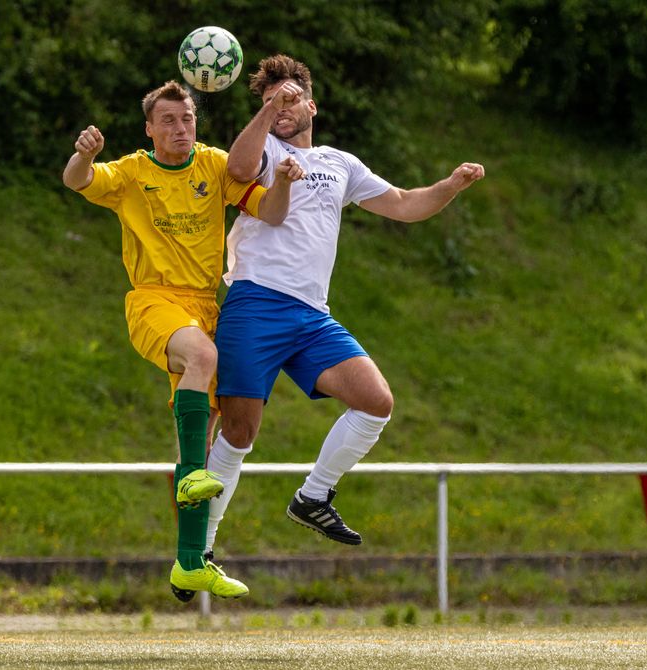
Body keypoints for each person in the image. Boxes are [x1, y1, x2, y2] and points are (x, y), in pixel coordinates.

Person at [204, 55, 485, 556]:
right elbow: (239, 169)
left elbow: (402, 203)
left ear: (312, 104)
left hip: (312, 315)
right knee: (239, 431)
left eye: (290, 97)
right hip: (256, 303)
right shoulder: (263, 145)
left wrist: (451, 185)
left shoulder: (340, 162)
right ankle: (200, 547)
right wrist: (269, 112)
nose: (282, 106)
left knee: (376, 401)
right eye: (270, 100)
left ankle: (313, 496)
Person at [62, 80, 303, 602]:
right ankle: (191, 477)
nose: (180, 128)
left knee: (211, 426)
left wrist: (282, 181)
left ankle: (190, 562)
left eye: (187, 118)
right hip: (153, 299)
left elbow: (274, 212)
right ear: (149, 129)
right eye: (168, 120)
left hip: (205, 306)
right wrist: (84, 156)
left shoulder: (215, 165)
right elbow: (76, 180)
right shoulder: (131, 172)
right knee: (203, 356)